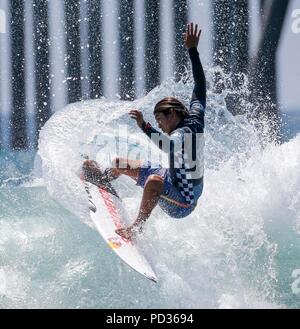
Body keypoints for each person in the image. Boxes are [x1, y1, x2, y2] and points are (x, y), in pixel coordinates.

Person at [82, 23, 206, 240]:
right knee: (120, 163)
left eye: (160, 120)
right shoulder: (195, 116)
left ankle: (136, 228)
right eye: (156, 122)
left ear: (174, 115)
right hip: (171, 177)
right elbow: (200, 86)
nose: (159, 125)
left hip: (183, 202)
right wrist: (192, 51)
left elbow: (169, 145)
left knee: (154, 182)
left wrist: (145, 126)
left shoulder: (181, 135)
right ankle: (102, 180)